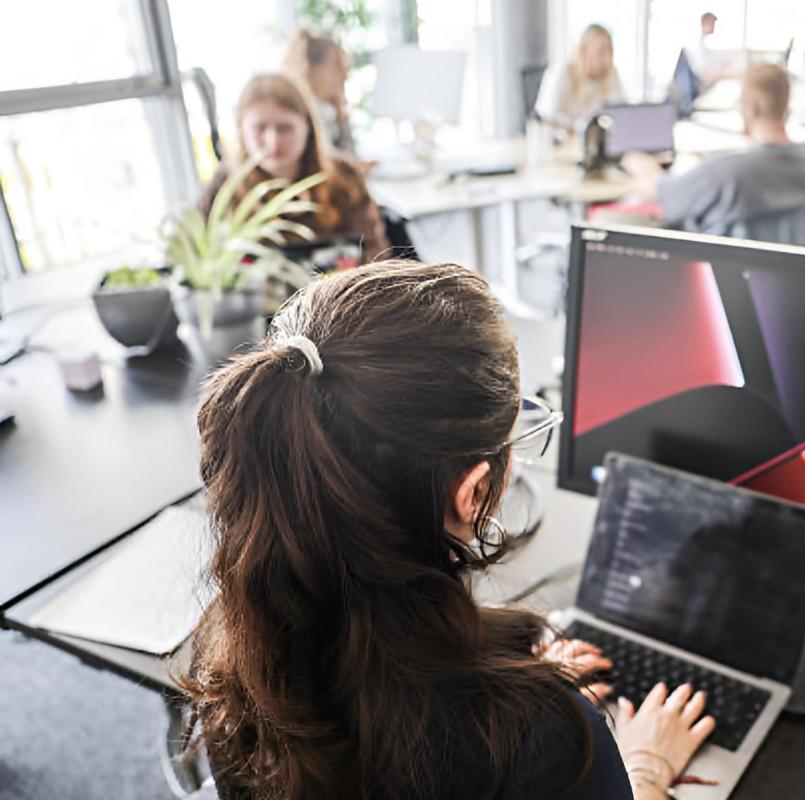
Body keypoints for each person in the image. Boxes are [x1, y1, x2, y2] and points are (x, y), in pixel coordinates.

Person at [184, 261, 715, 799]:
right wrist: (644, 767)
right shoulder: (548, 742)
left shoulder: (239, 666)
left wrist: (510, 677)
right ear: (474, 493)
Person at [197, 73, 387, 262]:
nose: (273, 141)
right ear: (241, 128)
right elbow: (197, 251)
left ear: (307, 126)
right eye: (260, 128)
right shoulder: (225, 183)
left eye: (285, 128)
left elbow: (375, 252)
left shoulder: (345, 176)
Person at [620, 63, 805, 236]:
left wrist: (643, 165)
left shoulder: (726, 172)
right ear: (785, 105)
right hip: (785, 273)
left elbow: (666, 195)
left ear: (751, 108)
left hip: (720, 273)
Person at [536, 24, 626, 131]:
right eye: (601, 51)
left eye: (610, 51)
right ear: (583, 50)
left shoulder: (610, 72)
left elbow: (621, 111)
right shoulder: (563, 71)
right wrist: (579, 127)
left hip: (595, 141)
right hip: (562, 140)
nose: (607, 58)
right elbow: (547, 115)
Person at [281, 28, 355, 156]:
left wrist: (341, 116)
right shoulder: (304, 116)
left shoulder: (328, 111)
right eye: (338, 68)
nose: (345, 76)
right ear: (316, 70)